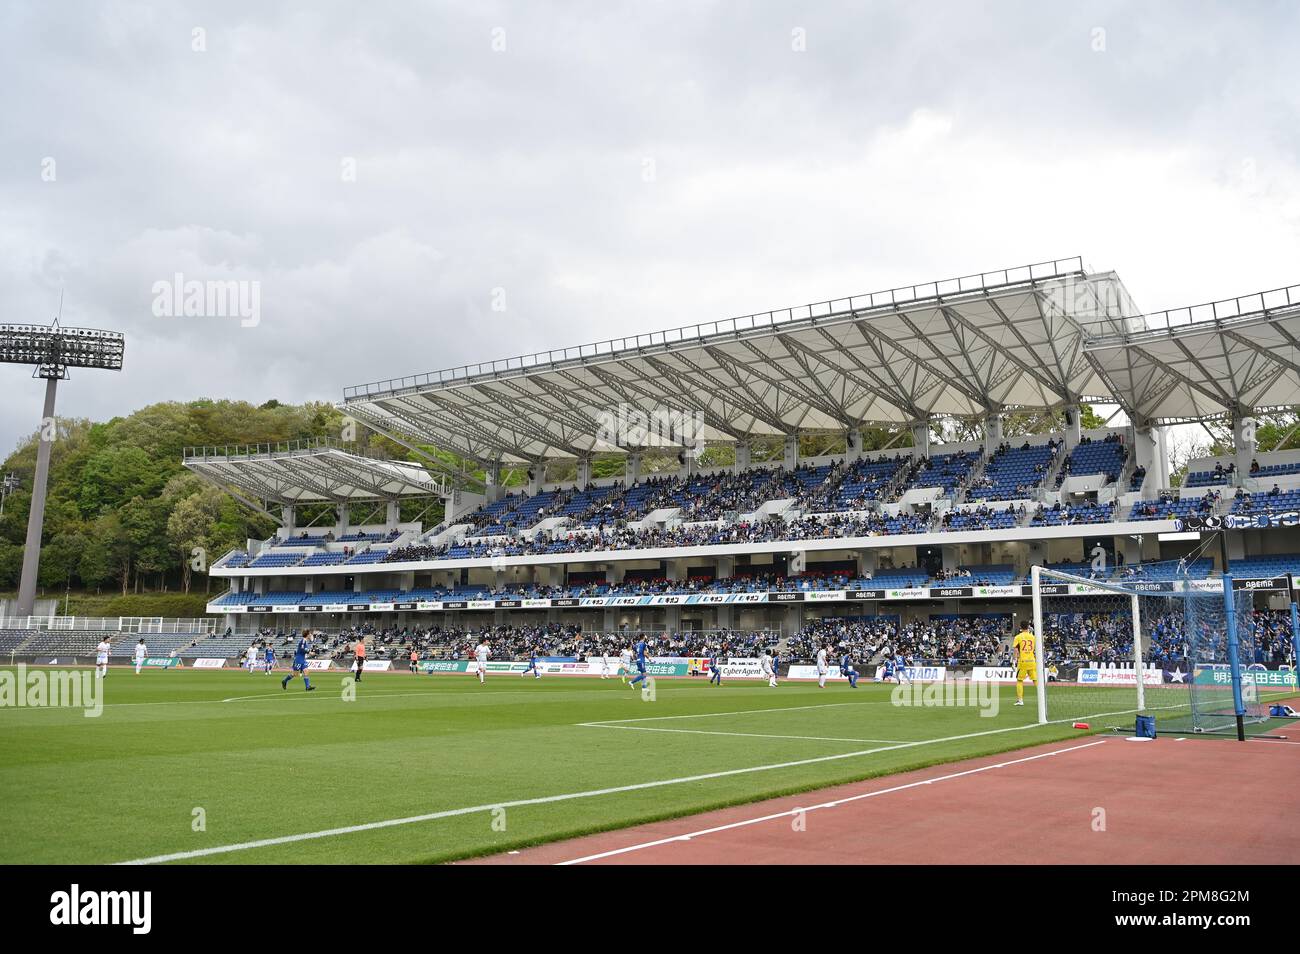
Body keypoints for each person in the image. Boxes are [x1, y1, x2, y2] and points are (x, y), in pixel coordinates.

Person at [1012, 622, 1037, 707]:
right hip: (1032, 661)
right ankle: (1042, 698)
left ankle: (1020, 700)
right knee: (1035, 680)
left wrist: (1014, 661)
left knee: (1019, 680)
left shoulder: (1018, 637)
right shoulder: (1033, 637)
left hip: (1023, 662)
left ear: (1020, 627)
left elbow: (1016, 650)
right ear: (1028, 627)